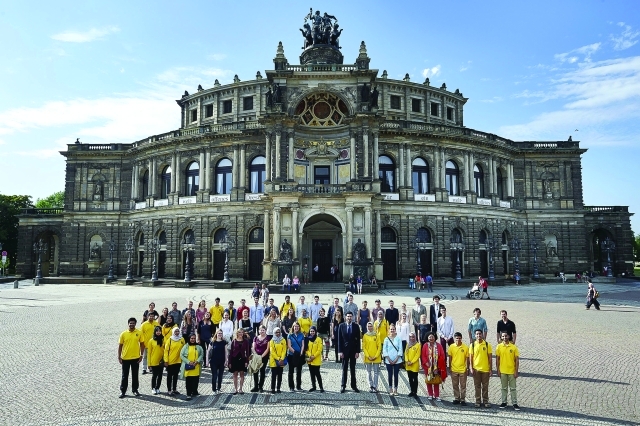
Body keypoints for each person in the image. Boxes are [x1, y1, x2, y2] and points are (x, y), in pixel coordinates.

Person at [118, 317, 145, 398]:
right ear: (128, 324)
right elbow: (120, 345)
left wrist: (141, 355)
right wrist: (119, 356)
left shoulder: (139, 333)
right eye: (130, 323)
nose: (131, 324)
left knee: (135, 375)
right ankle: (123, 391)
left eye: (133, 323)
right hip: (125, 358)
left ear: (135, 324)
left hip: (136, 358)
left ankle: (135, 390)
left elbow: (142, 344)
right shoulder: (123, 334)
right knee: (124, 376)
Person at [496, 331, 520, 410]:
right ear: (501, 337)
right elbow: (497, 359)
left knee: (513, 388)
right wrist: (498, 370)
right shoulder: (499, 347)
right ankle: (504, 402)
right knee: (504, 388)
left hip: (512, 371)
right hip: (503, 371)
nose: (504, 337)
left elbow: (517, 360)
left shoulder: (513, 347)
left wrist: (516, 371)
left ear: (509, 337)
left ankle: (515, 403)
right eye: (503, 336)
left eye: (506, 336)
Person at [338, 312, 361, 393]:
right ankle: (343, 385)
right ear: (345, 317)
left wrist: (358, 351)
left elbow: (358, 340)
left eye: (351, 316)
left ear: (353, 317)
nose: (349, 318)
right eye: (348, 316)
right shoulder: (341, 326)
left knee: (353, 369)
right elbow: (339, 340)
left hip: (353, 351)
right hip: (344, 351)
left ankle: (354, 386)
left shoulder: (356, 326)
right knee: (344, 369)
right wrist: (340, 351)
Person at [469, 329, 493, 408]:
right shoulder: (472, 345)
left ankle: (485, 401)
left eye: (480, 334)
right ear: (474, 335)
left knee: (485, 386)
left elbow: (490, 358)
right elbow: (470, 358)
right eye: (477, 334)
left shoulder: (487, 345)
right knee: (477, 386)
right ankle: (478, 401)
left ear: (482, 335)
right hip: (476, 369)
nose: (478, 336)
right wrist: (471, 368)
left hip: (485, 369)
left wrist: (490, 369)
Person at [421, 332, 447, 401]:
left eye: (432, 337)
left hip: (436, 366)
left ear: (435, 337)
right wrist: (426, 363)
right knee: (429, 380)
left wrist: (438, 366)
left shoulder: (439, 346)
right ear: (427, 338)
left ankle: (437, 395)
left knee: (436, 381)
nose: (431, 338)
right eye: (429, 337)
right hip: (428, 366)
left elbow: (442, 355)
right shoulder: (425, 345)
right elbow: (423, 355)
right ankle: (430, 394)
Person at [448, 332, 470, 405]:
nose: (458, 340)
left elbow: (467, 359)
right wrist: (450, 367)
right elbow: (450, 358)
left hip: (463, 369)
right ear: (454, 339)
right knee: (455, 385)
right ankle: (457, 398)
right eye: (457, 338)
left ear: (461, 338)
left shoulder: (465, 347)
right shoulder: (451, 347)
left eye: (459, 338)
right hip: (454, 369)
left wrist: (467, 368)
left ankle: (463, 399)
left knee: (463, 385)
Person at [180, 334, 203, 401]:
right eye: (191, 338)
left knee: (195, 381)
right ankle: (188, 394)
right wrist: (188, 361)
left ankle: (195, 391)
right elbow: (181, 355)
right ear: (189, 339)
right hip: (188, 367)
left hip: (196, 366)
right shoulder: (185, 346)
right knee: (189, 382)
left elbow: (201, 354)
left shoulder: (198, 346)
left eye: (194, 338)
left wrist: (197, 361)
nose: (193, 340)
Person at [382, 323, 402, 396]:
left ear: (395, 330)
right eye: (391, 329)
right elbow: (384, 350)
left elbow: (400, 349)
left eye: (393, 329)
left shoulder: (398, 338)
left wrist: (396, 359)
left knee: (396, 375)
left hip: (397, 360)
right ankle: (390, 388)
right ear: (389, 330)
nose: (392, 330)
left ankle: (395, 389)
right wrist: (388, 359)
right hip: (388, 360)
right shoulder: (386, 339)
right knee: (390, 374)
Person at [164, 327, 185, 396]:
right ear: (173, 332)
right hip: (170, 361)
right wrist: (166, 361)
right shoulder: (169, 340)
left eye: (178, 331)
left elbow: (184, 349)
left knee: (176, 376)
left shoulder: (182, 339)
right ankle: (169, 390)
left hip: (178, 361)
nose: (177, 333)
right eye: (175, 331)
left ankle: (174, 389)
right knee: (169, 376)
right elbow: (166, 351)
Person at [229, 329, 250, 395]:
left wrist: (247, 361)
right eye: (239, 332)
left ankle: (240, 388)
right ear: (237, 333)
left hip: (242, 359)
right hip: (234, 359)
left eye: (242, 332)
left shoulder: (246, 341)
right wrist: (229, 362)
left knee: (242, 374)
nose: (241, 334)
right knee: (235, 374)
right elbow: (231, 352)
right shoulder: (234, 341)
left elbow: (248, 352)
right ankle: (235, 389)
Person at [363, 321, 382, 392]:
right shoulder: (365, 335)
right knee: (369, 372)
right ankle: (370, 385)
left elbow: (379, 346)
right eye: (368, 326)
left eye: (371, 326)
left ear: (373, 327)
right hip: (368, 357)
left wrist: (376, 356)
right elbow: (364, 347)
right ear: (367, 327)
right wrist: (368, 356)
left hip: (376, 357)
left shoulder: (376, 335)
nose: (370, 327)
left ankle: (375, 386)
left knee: (376, 372)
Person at [251, 325, 270, 392]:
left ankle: (260, 386)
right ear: (258, 330)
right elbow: (253, 347)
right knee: (255, 371)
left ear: (265, 331)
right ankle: (256, 386)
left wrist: (261, 356)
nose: (262, 331)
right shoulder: (255, 338)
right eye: (260, 330)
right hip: (256, 357)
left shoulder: (268, 338)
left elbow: (268, 349)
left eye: (263, 330)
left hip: (264, 357)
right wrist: (256, 355)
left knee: (262, 371)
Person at [208, 329, 228, 394]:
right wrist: (207, 361)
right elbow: (208, 351)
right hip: (213, 361)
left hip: (221, 361)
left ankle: (219, 388)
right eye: (218, 333)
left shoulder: (224, 342)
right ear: (216, 334)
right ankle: (214, 389)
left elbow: (226, 352)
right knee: (214, 375)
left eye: (221, 333)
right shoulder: (212, 342)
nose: (220, 334)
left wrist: (226, 360)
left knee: (220, 375)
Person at [287, 322, 305, 391]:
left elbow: (303, 344)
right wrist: (295, 352)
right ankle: (291, 387)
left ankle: (298, 386)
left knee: (299, 371)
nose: (296, 328)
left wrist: (301, 352)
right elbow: (289, 345)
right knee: (291, 371)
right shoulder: (290, 335)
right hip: (292, 355)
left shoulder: (301, 335)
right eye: (295, 326)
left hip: (299, 355)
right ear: (293, 327)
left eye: (297, 326)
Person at [306, 326, 325, 392]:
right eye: (311, 331)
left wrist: (314, 356)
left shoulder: (318, 339)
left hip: (316, 359)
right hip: (310, 359)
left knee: (317, 373)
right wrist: (310, 355)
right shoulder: (308, 339)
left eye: (313, 331)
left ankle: (321, 387)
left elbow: (319, 349)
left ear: (315, 332)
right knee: (312, 374)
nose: (312, 332)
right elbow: (306, 349)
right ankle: (313, 386)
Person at [147, 326, 165, 395]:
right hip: (154, 361)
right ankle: (153, 388)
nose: (158, 332)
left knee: (160, 375)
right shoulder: (151, 341)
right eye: (157, 331)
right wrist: (149, 364)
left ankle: (158, 387)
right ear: (155, 332)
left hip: (161, 361)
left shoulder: (163, 340)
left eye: (159, 331)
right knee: (154, 375)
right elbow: (149, 353)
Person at [269, 328, 287, 393]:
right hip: (274, 360)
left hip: (281, 361)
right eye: (276, 332)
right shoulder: (272, 341)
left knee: (280, 375)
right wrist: (278, 358)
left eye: (279, 332)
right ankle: (273, 388)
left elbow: (284, 350)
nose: (278, 333)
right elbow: (272, 351)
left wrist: (282, 358)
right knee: (273, 375)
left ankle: (278, 388)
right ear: (274, 333)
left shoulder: (283, 340)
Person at [404, 332, 421, 397]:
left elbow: (417, 355)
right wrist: (407, 361)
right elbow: (405, 353)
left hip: (414, 365)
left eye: (413, 337)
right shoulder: (408, 344)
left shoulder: (418, 345)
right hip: (408, 365)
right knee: (410, 379)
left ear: (415, 337)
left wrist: (412, 362)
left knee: (415, 379)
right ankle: (411, 391)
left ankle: (415, 392)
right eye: (410, 337)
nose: (412, 338)